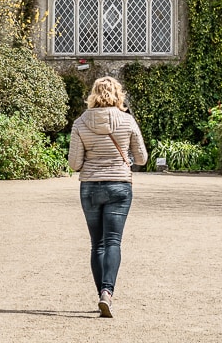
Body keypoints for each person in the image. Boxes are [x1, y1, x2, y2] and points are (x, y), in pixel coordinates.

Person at [68, 76, 148, 318]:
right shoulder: (127, 121)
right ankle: (107, 293)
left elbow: (74, 164)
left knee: (97, 243)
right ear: (118, 94)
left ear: (93, 93)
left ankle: (101, 295)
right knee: (113, 241)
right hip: (119, 186)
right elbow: (142, 158)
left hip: (90, 186)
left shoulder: (81, 122)